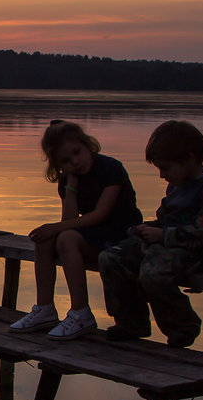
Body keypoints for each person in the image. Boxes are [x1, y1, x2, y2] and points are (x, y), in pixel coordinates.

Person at [98, 120, 203, 348]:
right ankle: (131, 323)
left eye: (166, 167)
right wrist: (143, 229)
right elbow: (167, 220)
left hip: (201, 253)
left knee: (152, 274)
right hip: (168, 245)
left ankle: (182, 326)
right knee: (110, 257)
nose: (162, 175)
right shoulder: (176, 184)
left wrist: (163, 235)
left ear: (190, 159)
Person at [9, 120, 143, 340]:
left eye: (77, 153)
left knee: (65, 238)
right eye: (66, 161)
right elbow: (70, 219)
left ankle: (81, 313)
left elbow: (100, 215)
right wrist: (70, 185)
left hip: (121, 236)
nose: (75, 161)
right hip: (95, 234)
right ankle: (44, 308)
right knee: (45, 240)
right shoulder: (68, 179)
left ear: (87, 145)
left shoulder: (111, 169)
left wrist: (54, 228)